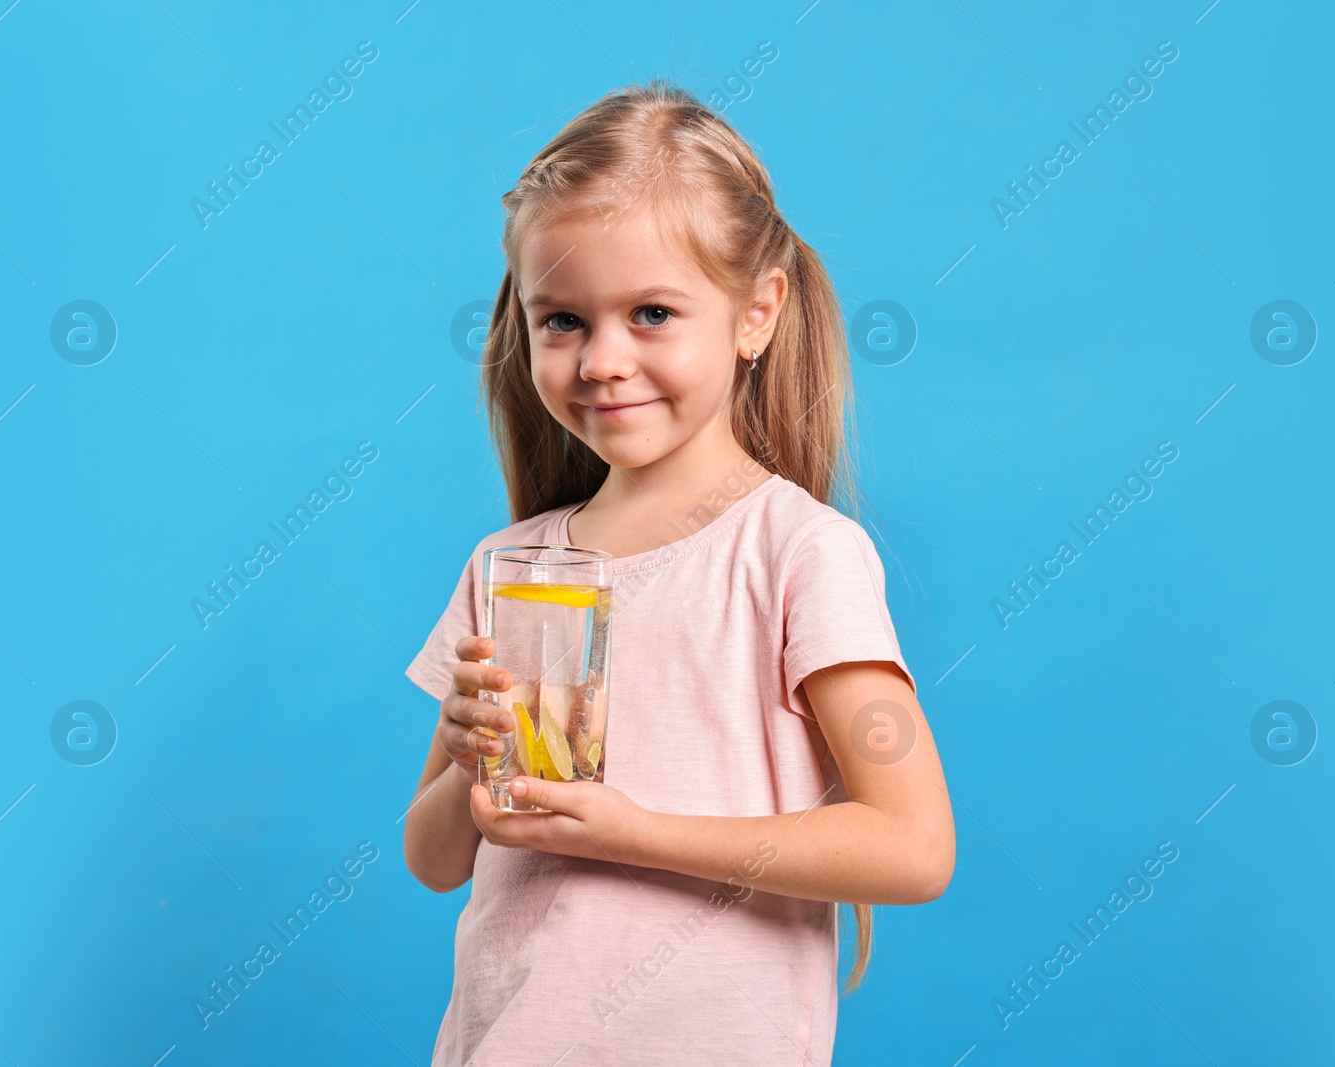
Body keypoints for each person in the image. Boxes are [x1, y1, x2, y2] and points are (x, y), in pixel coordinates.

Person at [400, 80, 954, 1066]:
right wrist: (465, 766)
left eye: (651, 311)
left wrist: (634, 831)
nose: (602, 359)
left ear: (756, 313)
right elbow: (435, 857)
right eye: (561, 320)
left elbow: (912, 846)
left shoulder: (799, 553)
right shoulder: (508, 565)